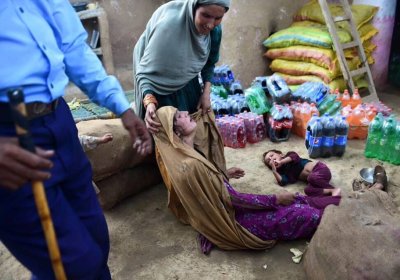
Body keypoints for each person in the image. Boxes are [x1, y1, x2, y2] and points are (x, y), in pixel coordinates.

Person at [0, 1, 152, 279]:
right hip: (11, 139)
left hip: (60, 122)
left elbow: (75, 51)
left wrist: (123, 107)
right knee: (74, 265)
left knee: (95, 242)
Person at [153, 106, 341, 254]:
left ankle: (339, 202)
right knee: (305, 214)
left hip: (231, 211)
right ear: (174, 132)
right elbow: (232, 199)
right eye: (179, 116)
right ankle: (341, 216)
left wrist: (224, 174)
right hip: (234, 219)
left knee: (299, 199)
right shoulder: (190, 164)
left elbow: (208, 186)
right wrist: (275, 199)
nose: (186, 113)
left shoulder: (192, 155)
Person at [133, 0, 230, 133]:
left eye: (218, 18)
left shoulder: (214, 31)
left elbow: (210, 62)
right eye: (205, 15)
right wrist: (149, 101)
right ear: (194, 8)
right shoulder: (169, 25)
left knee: (190, 128)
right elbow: (145, 72)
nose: (210, 24)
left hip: (188, 81)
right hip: (158, 83)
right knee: (164, 131)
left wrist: (206, 93)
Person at [262, 149, 342, 198]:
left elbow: (294, 156)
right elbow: (283, 182)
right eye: (269, 161)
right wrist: (274, 171)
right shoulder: (284, 172)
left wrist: (281, 161)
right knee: (308, 190)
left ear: (281, 154)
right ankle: (330, 191)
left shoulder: (289, 156)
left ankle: (333, 189)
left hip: (320, 169)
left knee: (312, 177)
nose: (271, 159)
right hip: (315, 181)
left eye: (272, 155)